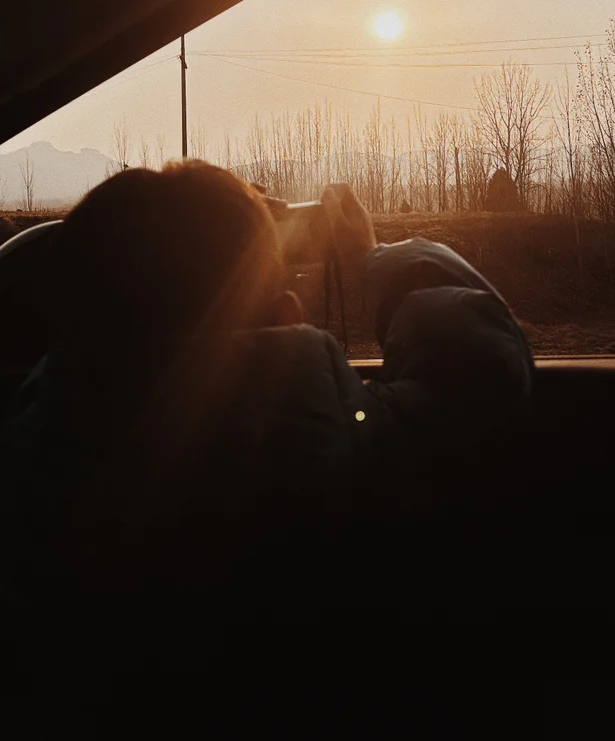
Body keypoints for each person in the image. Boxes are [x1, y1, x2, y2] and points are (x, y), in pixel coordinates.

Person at [1, 161, 534, 654]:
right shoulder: (353, 450)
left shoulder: (27, 475)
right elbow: (479, 373)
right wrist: (371, 258)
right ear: (287, 314)